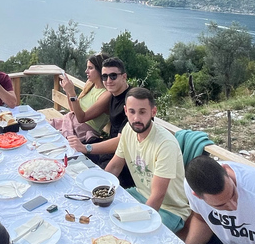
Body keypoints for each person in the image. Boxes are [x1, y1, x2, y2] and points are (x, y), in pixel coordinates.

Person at [105, 87, 190, 233]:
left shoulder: (165, 144)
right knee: (103, 214)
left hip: (169, 209)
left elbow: (158, 196)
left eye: (142, 112)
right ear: (126, 111)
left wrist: (138, 224)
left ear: (153, 112)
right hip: (139, 193)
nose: (136, 118)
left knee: (129, 235)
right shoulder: (128, 129)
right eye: (132, 111)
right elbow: (114, 166)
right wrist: (100, 190)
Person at [67, 57, 133, 187]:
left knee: (82, 175)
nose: (108, 81)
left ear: (124, 76)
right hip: (111, 152)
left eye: (113, 76)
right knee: (70, 165)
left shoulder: (131, 101)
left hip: (125, 161)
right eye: (105, 76)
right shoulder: (113, 95)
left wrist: (86, 148)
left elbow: (122, 142)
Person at [50, 53, 110, 143]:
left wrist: (72, 93)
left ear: (101, 70)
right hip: (72, 123)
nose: (86, 71)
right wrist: (68, 91)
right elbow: (73, 110)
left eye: (90, 68)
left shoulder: (106, 94)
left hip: (83, 132)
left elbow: (81, 118)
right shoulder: (90, 84)